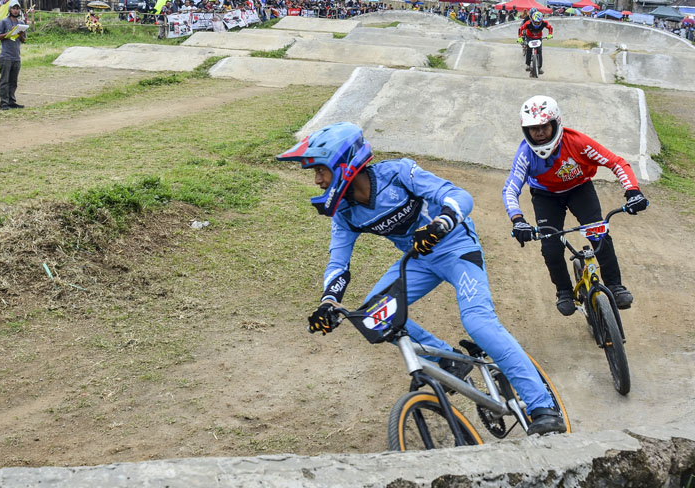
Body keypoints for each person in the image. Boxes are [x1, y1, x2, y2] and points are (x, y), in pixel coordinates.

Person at [277, 122, 567, 436]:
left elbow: (459, 196)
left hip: (457, 248)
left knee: (479, 323)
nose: (318, 180)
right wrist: (329, 302)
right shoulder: (345, 213)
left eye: (320, 170)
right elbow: (338, 261)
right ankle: (450, 362)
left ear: (343, 164)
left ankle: (543, 406)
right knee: (373, 317)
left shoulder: (398, 173)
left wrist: (443, 222)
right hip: (418, 259)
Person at [503, 95, 649, 316]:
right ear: (526, 130)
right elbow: (510, 189)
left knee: (598, 232)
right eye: (533, 128)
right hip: (546, 196)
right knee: (550, 247)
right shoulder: (525, 154)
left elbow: (616, 162)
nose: (539, 132)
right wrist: (518, 220)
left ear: (555, 123)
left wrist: (633, 192)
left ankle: (615, 285)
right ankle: (563, 291)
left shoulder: (578, 142)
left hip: (580, 189)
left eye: (544, 126)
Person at [0, 1, 26, 110]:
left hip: (16, 56)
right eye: (14, 8)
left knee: (13, 81)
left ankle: (12, 101)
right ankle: (4, 103)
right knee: (4, 81)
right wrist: (9, 33)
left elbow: (23, 40)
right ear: (9, 10)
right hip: (6, 56)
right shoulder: (4, 22)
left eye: (18, 8)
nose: (16, 10)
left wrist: (21, 35)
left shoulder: (21, 23)